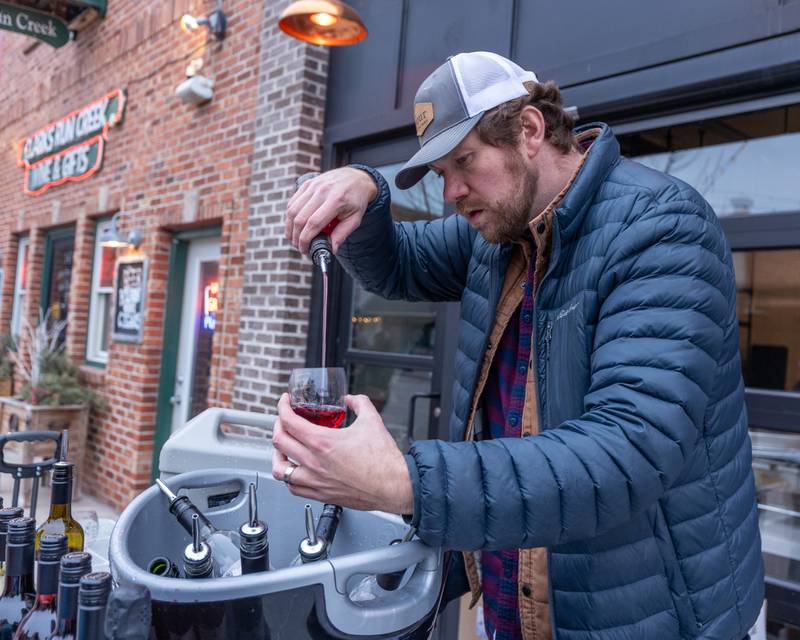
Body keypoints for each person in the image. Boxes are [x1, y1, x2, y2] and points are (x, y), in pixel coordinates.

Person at [275, 51, 763, 640]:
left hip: (643, 616)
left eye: (465, 161)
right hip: (509, 604)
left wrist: (407, 482)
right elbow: (399, 264)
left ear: (530, 130)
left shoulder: (661, 228)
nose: (451, 191)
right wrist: (366, 191)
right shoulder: (496, 234)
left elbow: (627, 452)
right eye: (439, 173)